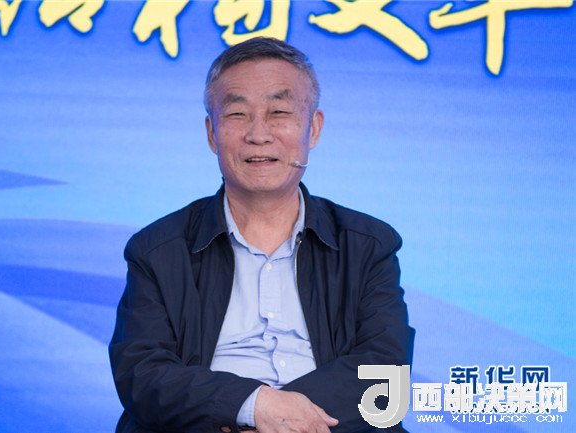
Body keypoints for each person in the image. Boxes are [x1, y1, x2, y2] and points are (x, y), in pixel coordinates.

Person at [109, 37, 414, 433]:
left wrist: (279, 420)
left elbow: (385, 370)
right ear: (212, 133)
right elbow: (143, 374)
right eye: (237, 114)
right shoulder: (158, 251)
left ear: (313, 128)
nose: (258, 134)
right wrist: (251, 407)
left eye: (279, 112)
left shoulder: (367, 245)